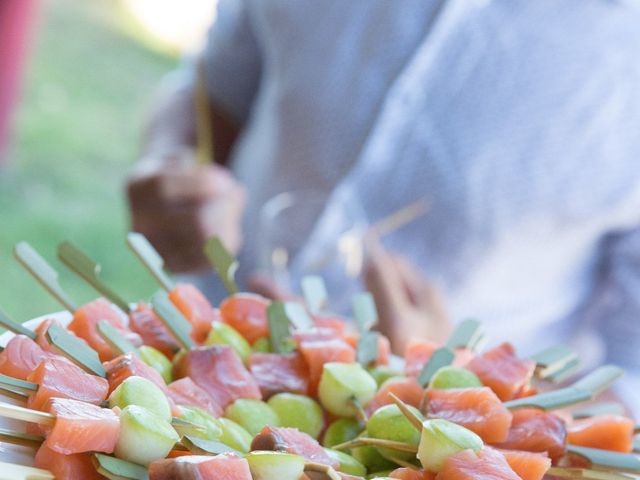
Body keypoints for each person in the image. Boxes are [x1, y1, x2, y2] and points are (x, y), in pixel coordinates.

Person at [128, 0, 640, 405]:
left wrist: (463, 384)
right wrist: (171, 159)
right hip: (191, 357)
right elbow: (215, 82)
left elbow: (631, 383)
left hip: (422, 448)